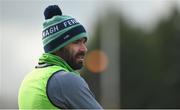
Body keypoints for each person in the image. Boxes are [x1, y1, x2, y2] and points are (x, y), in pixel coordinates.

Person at [18, 5, 103, 109]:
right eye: (76, 42)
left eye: (84, 42)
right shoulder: (66, 81)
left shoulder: (28, 80)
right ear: (58, 47)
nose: (84, 49)